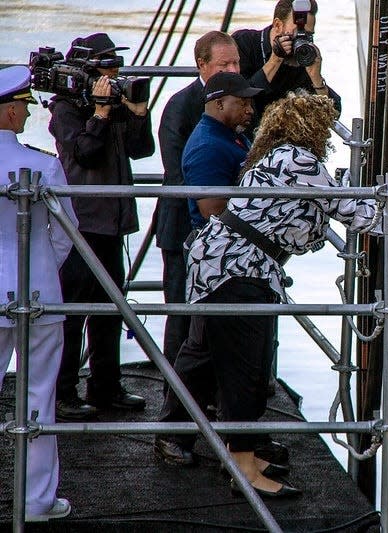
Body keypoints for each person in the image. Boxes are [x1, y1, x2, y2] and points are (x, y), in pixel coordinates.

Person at [164, 91, 388, 499]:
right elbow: (348, 211)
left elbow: (337, 194)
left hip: (218, 264)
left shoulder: (276, 158)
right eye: (324, 126)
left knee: (204, 356)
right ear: (312, 127)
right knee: (243, 368)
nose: (327, 134)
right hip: (239, 271)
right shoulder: (298, 160)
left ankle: (219, 447)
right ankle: (243, 468)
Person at [154, 71, 262, 466]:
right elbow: (211, 210)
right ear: (219, 104)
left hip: (228, 262)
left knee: (206, 353)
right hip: (218, 264)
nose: (250, 108)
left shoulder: (228, 138)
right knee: (200, 354)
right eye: (243, 102)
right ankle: (173, 434)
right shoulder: (207, 146)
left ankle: (227, 438)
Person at [48, 33, 154, 420]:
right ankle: (63, 392)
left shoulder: (112, 100)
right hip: (82, 222)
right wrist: (100, 114)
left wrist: (138, 111)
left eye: (116, 66)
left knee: (111, 307)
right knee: (74, 311)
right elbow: (85, 155)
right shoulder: (65, 108)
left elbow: (142, 150)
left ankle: (106, 386)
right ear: (88, 69)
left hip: (111, 222)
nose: (114, 73)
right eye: (107, 66)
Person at [0, 65, 78, 521]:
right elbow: (67, 234)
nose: (27, 115)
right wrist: (44, 268)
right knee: (39, 397)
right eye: (24, 108)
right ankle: (35, 502)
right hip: (40, 289)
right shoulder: (44, 163)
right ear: (10, 113)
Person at [156, 31, 240, 388]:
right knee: (181, 314)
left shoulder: (238, 100)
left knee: (214, 320)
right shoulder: (180, 106)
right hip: (183, 229)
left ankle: (208, 395)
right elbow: (177, 174)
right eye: (224, 64)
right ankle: (175, 397)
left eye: (236, 62)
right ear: (202, 65)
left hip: (220, 229)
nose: (233, 69)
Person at [232, 0, 341, 135]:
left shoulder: (302, 58)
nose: (302, 40)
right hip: (245, 139)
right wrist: (275, 60)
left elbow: (333, 115)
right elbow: (240, 100)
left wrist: (316, 78)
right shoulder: (245, 43)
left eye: (308, 35)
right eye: (297, 33)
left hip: (285, 145)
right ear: (277, 25)